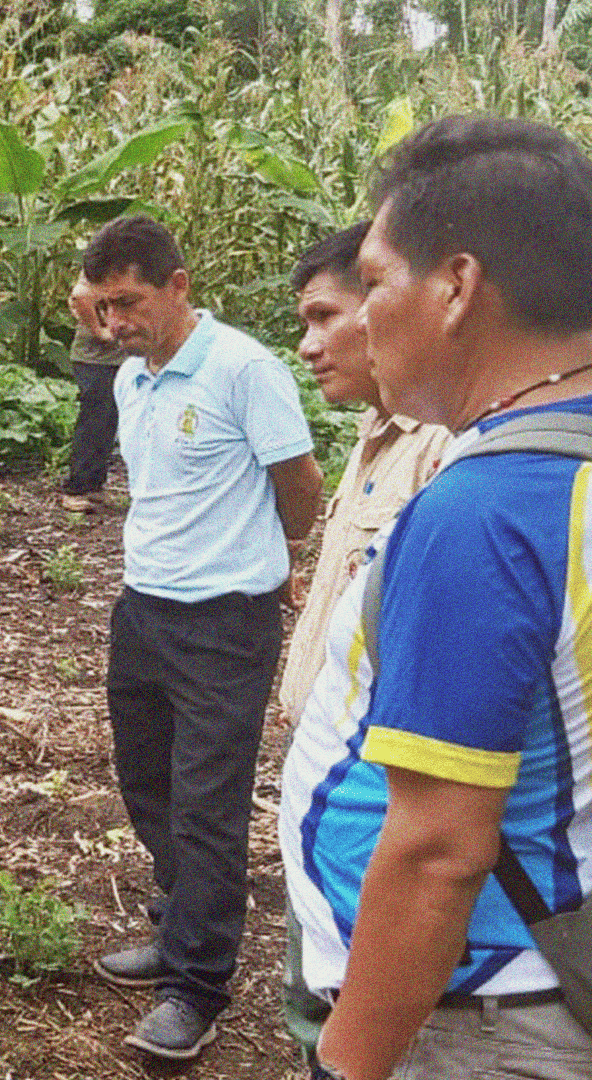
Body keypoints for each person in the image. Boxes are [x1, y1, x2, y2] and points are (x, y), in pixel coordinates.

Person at [282, 115, 592, 1080]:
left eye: (372, 284)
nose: (361, 318)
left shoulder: (485, 513)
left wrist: (349, 1061)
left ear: (456, 288)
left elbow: (437, 853)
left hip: (487, 1018)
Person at [81, 215, 323, 1059]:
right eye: (105, 306)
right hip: (143, 607)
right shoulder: (131, 379)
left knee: (209, 805)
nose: (115, 322)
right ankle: (177, 921)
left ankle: (197, 985)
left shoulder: (242, 369)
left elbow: (299, 483)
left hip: (224, 620)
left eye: (130, 301)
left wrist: (275, 556)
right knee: (148, 783)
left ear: (178, 286)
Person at [274, 221, 449, 1068]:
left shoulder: (444, 455)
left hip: (385, 823)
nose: (308, 346)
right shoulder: (378, 433)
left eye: (323, 316)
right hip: (333, 804)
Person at [59, 272, 127, 513]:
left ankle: (93, 487)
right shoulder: (108, 258)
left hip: (119, 360)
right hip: (99, 360)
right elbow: (80, 296)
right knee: (97, 422)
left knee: (108, 424)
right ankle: (78, 488)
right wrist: (102, 332)